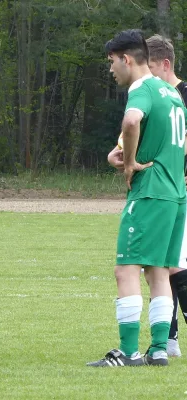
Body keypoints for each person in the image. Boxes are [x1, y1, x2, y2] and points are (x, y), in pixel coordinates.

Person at [88, 29, 187, 367]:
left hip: (150, 193)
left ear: (126, 59)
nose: (112, 69)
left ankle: (128, 352)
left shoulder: (141, 88)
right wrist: (123, 153)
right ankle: (159, 350)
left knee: (125, 269)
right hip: (176, 193)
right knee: (158, 271)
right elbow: (166, 140)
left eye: (112, 62)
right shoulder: (170, 92)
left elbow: (132, 121)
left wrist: (130, 162)